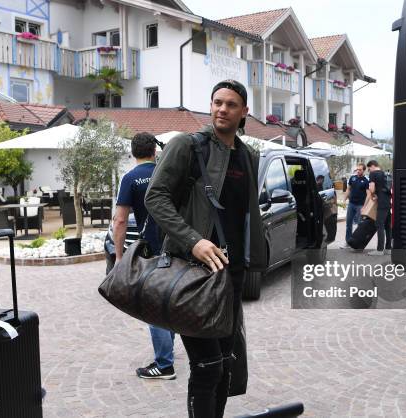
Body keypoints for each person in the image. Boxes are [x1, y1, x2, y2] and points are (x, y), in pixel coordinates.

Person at [145, 79, 266, 418]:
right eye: (217, 102)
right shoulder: (187, 146)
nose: (222, 109)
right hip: (192, 273)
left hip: (231, 275)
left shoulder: (248, 155)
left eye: (230, 104)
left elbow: (246, 214)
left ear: (244, 112)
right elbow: (155, 196)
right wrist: (193, 240)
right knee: (208, 365)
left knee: (225, 365)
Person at [112, 132, 176, 380]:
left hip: (150, 250)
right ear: (154, 151)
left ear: (132, 152)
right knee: (169, 299)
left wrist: (119, 257)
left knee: (152, 306)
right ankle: (167, 351)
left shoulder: (130, 178)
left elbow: (120, 220)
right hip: (177, 245)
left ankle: (164, 364)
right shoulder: (166, 173)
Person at [366, 160, 392, 255]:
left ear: (372, 166)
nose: (369, 171)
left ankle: (379, 250)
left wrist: (373, 194)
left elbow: (372, 188)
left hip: (381, 203)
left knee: (379, 224)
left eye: (369, 169)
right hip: (388, 202)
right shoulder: (384, 173)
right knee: (388, 226)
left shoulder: (373, 174)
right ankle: (388, 248)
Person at [343, 163, 369, 244]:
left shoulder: (366, 181)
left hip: (360, 205)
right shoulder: (352, 178)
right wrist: (344, 200)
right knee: (348, 224)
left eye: (360, 170)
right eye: (357, 169)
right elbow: (348, 189)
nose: (358, 171)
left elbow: (368, 194)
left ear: (364, 170)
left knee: (359, 225)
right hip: (351, 204)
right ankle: (348, 242)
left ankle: (357, 243)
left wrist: (364, 207)